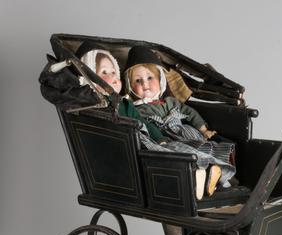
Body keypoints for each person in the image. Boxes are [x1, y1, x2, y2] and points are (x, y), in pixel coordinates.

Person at [75, 41, 235, 200]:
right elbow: (139, 122)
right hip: (135, 142)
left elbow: (149, 122)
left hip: (157, 136)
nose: (112, 77)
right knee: (174, 153)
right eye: (104, 72)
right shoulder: (98, 104)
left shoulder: (127, 103)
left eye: (113, 72)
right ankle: (199, 176)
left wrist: (161, 138)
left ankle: (214, 173)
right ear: (88, 77)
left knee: (189, 146)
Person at [124, 45, 236, 197]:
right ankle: (205, 176)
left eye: (150, 78)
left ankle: (220, 175)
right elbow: (146, 127)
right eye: (138, 81)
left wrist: (204, 130)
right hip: (167, 137)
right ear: (130, 86)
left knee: (207, 146)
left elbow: (190, 113)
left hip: (185, 131)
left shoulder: (171, 101)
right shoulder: (138, 109)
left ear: (161, 80)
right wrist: (160, 139)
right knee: (185, 153)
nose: (145, 84)